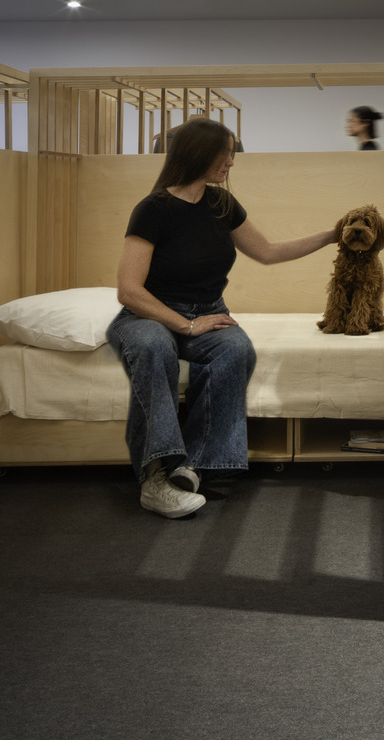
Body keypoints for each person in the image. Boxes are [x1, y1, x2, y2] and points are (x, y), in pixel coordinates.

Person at [109, 118, 336, 518]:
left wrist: (332, 235)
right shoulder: (153, 209)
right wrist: (186, 325)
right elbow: (129, 290)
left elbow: (267, 252)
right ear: (200, 153)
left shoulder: (221, 205)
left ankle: (192, 466)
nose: (232, 161)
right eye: (226, 152)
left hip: (208, 313)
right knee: (153, 346)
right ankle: (155, 477)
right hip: (150, 314)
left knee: (236, 349)